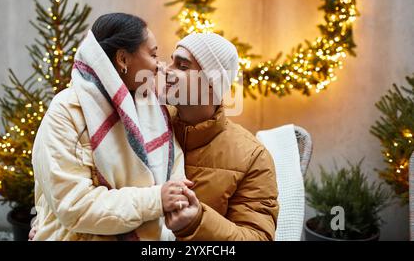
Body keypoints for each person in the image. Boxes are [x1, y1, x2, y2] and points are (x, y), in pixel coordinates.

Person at [31, 13, 192, 241]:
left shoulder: (153, 108)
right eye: (153, 54)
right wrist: (156, 200)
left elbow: (174, 174)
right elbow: (74, 205)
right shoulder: (67, 112)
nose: (159, 65)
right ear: (123, 59)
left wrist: (175, 199)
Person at [163, 33, 279, 241]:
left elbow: (257, 237)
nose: (165, 70)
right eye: (170, 61)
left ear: (211, 82)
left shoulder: (253, 158)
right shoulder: (150, 125)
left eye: (182, 66)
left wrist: (197, 222)